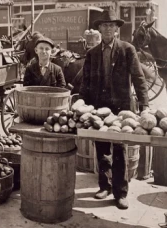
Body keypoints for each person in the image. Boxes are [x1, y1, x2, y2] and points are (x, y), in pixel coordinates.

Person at [79, 10, 149, 210]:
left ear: (117, 30)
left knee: (119, 149)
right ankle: (105, 186)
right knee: (101, 149)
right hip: (99, 107)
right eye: (104, 25)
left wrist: (144, 105)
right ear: (99, 29)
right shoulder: (92, 54)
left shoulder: (127, 49)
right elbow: (85, 81)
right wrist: (82, 103)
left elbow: (138, 77)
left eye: (112, 26)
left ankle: (120, 192)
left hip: (121, 109)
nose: (108, 29)